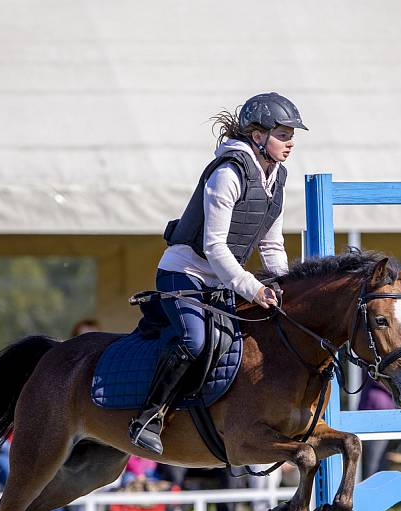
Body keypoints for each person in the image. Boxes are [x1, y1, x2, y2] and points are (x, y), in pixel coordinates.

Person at [128, 92, 308, 454]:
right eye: (283, 135)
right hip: (185, 272)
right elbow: (214, 248)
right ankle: (148, 416)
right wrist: (254, 289)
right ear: (258, 136)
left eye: (292, 136)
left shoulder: (277, 179)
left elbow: (272, 246)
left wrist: (288, 289)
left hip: (222, 278)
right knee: (194, 340)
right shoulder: (228, 173)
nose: (290, 143)